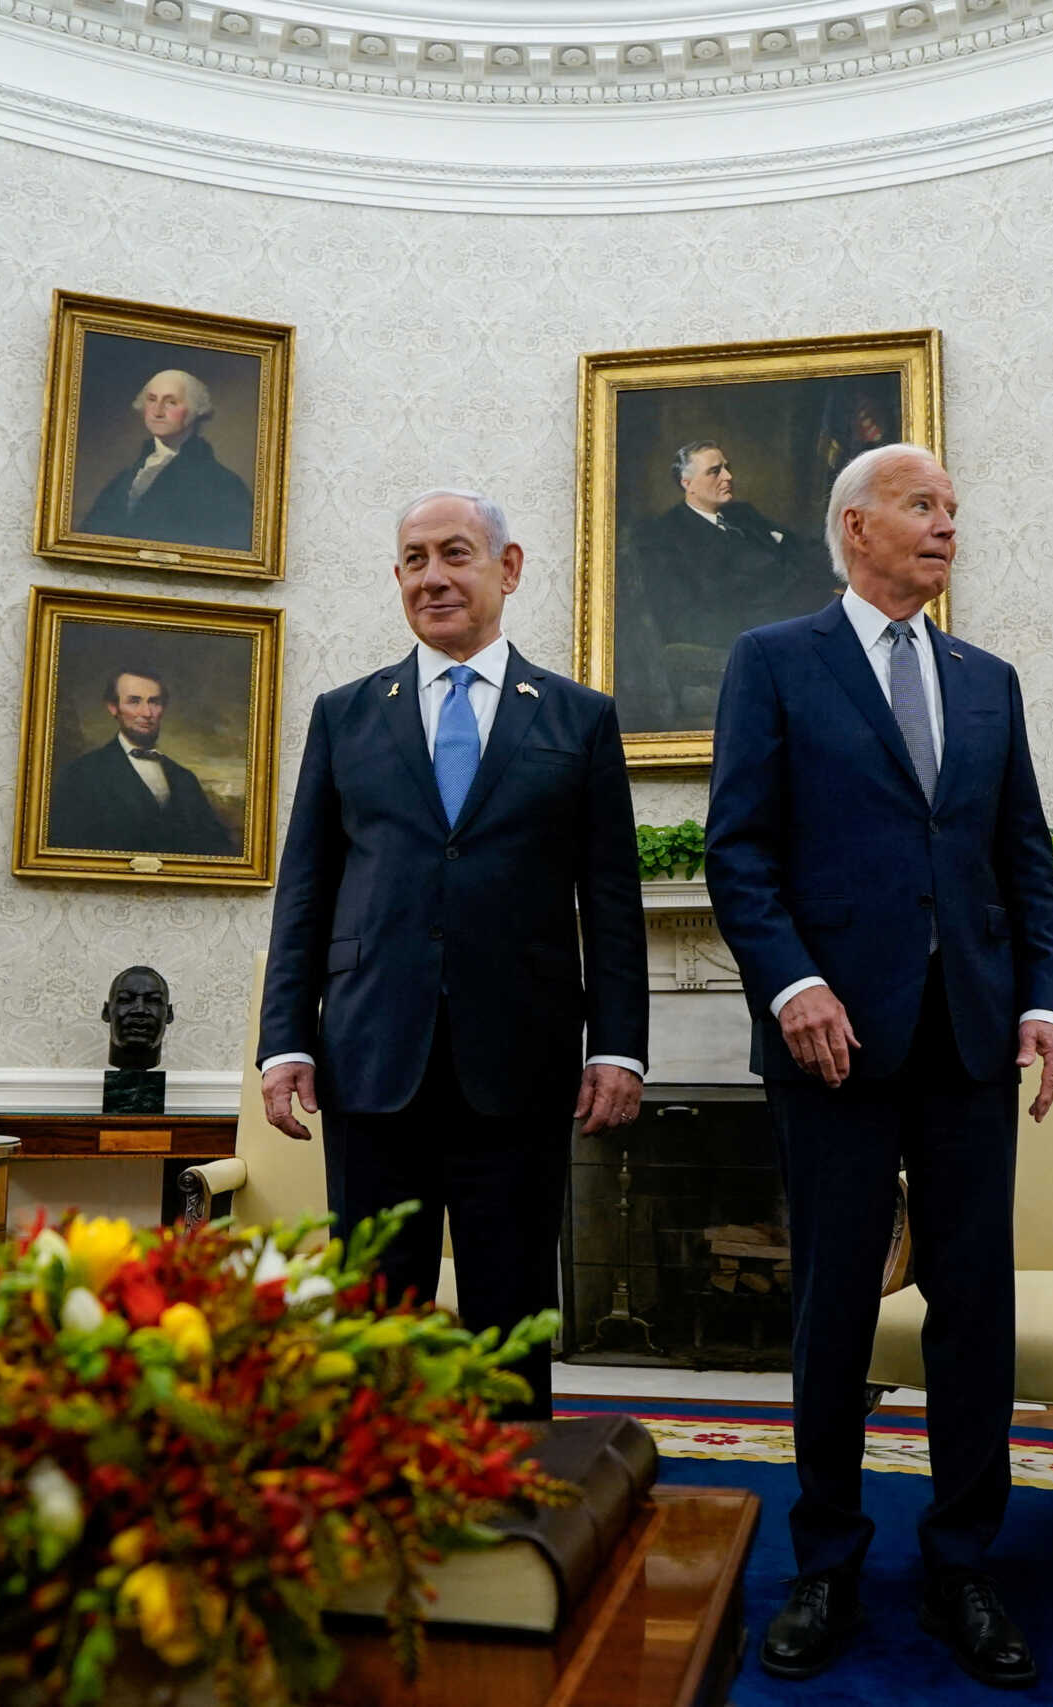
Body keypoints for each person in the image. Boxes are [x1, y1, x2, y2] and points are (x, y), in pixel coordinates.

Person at [705, 442, 1053, 1690]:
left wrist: (1047, 1003)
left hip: (970, 1039)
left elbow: (1021, 859)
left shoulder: (988, 680)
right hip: (833, 1047)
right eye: (923, 508)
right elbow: (737, 853)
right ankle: (826, 1561)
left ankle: (963, 1562)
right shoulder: (772, 662)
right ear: (855, 526)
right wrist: (794, 983)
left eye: (954, 511)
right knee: (832, 1308)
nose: (946, 528)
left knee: (978, 1306)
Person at [256, 489, 648, 1420]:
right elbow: (304, 891)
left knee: (510, 1316)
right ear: (397, 578)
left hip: (519, 1062)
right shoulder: (345, 715)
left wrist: (619, 1045)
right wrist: (284, 1041)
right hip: (370, 1059)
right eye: (416, 559)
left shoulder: (579, 720)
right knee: (374, 1318)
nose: (434, 576)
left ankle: (518, 1526)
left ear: (507, 570)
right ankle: (377, 1504)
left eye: (457, 553)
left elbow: (614, 899)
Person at [625, 441, 840, 725]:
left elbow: (803, 551)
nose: (728, 477)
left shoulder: (743, 515)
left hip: (807, 609)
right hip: (759, 629)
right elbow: (684, 616)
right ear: (687, 483)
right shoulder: (664, 538)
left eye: (727, 468)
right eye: (715, 471)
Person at [49, 666, 240, 856]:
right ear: (113, 708)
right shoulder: (79, 774)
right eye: (134, 701)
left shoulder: (185, 779)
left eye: (154, 702)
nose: (147, 713)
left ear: (163, 708)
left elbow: (217, 848)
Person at [79, 368, 255, 551]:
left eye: (171, 402)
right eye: (152, 400)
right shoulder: (124, 479)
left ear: (196, 410)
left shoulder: (224, 486)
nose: (158, 412)